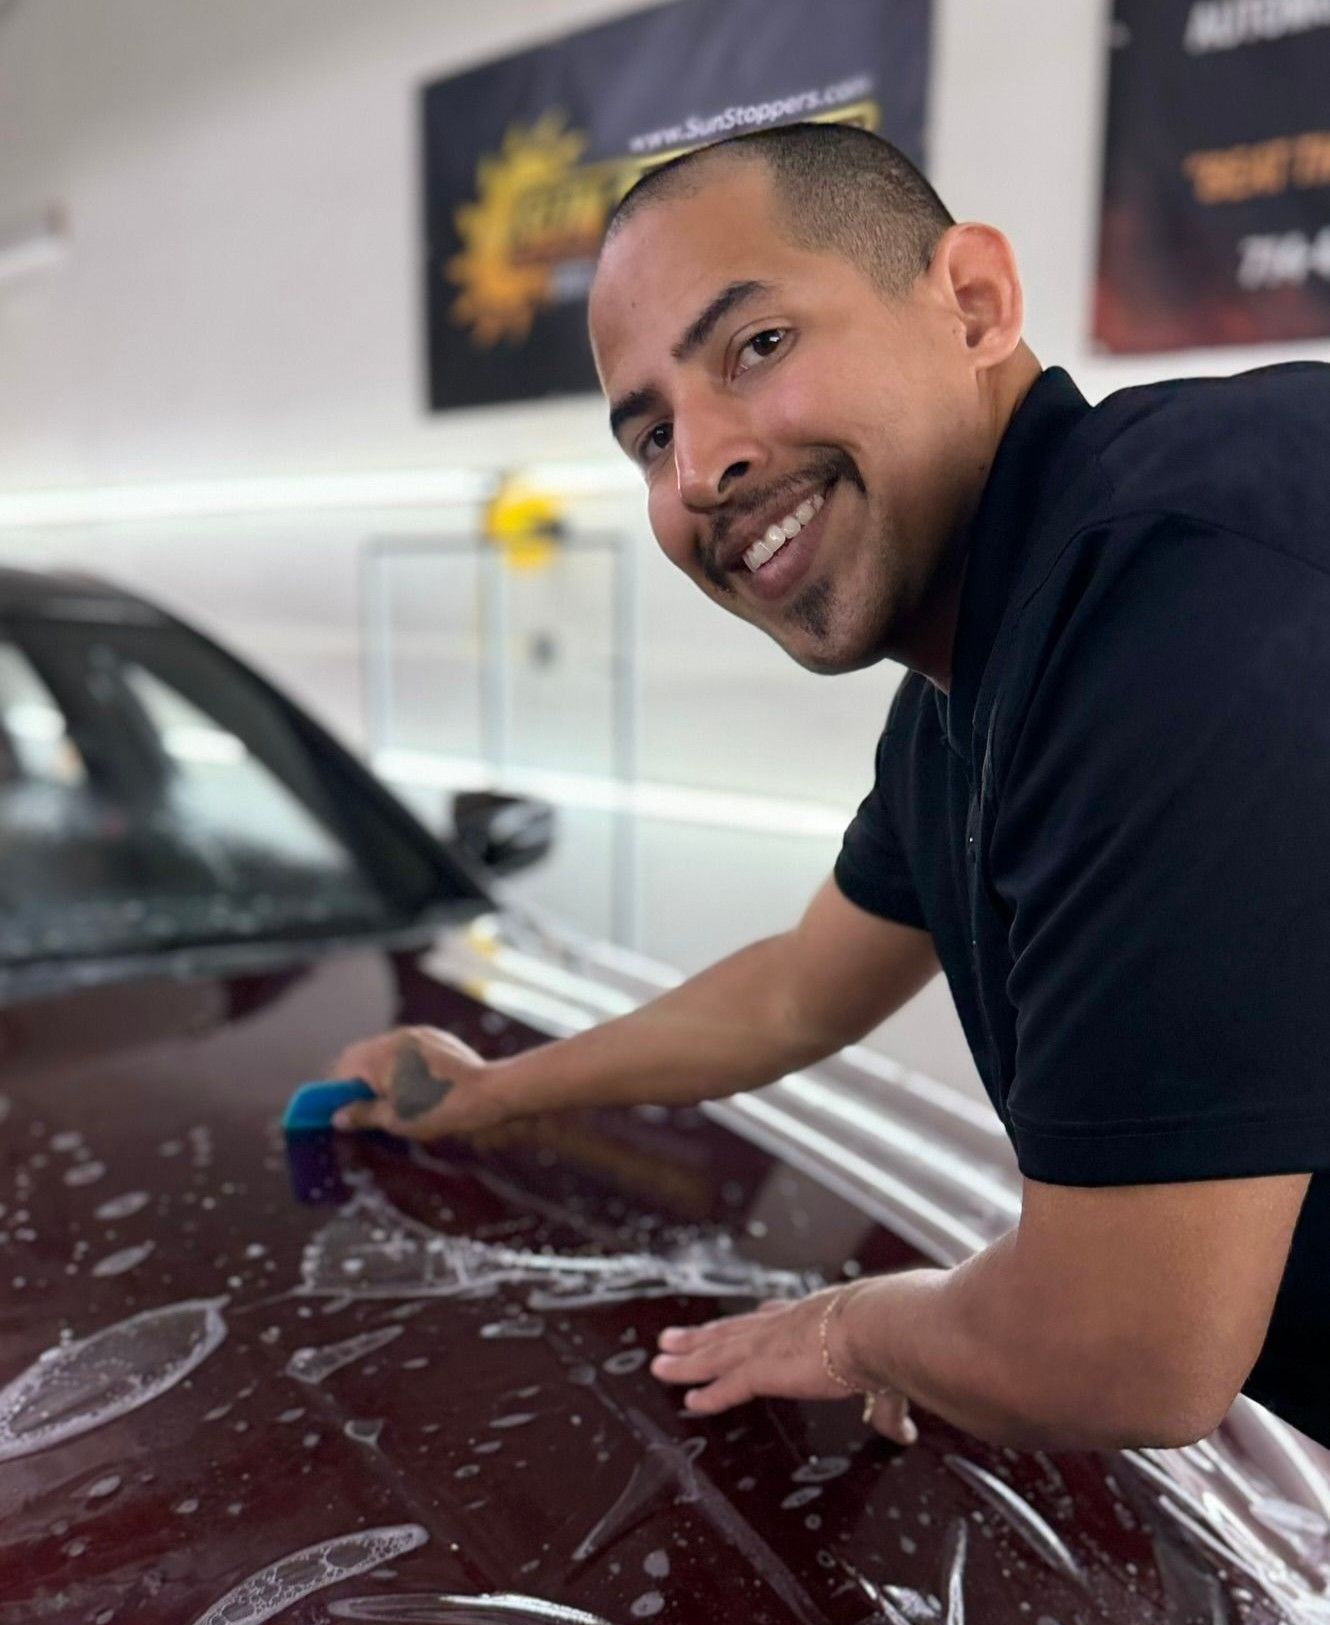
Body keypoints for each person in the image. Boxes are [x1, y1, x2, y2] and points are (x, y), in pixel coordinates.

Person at [332, 122, 1330, 1455]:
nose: (700, 473)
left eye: (754, 347)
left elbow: (1120, 1350)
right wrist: (485, 1091)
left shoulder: (1166, 585)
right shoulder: (966, 695)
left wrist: (845, 1327)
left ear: (971, 302)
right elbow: (798, 985)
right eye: (648, 436)